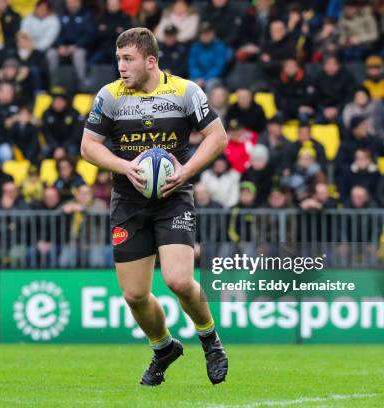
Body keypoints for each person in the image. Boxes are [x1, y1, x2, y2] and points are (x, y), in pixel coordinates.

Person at [81, 28, 228, 386]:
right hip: (128, 201)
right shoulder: (110, 95)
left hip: (172, 197)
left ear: (150, 61)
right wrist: (124, 166)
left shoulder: (184, 91)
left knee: (178, 280)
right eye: (118, 59)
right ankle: (164, 348)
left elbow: (218, 137)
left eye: (127, 59)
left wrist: (187, 171)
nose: (121, 67)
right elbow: (89, 146)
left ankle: (210, 340)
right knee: (134, 295)